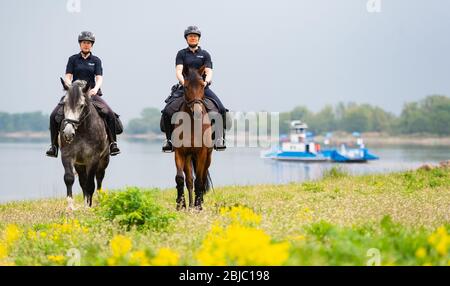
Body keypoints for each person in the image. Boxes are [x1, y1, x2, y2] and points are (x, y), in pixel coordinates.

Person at [46, 31, 121, 157]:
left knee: (109, 113)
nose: (86, 45)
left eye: (89, 43)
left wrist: (96, 88)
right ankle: (53, 146)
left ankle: (113, 143)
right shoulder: (73, 59)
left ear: (92, 45)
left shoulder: (96, 60)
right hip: (74, 94)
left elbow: (99, 77)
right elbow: (68, 76)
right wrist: (69, 86)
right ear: (80, 44)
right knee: (54, 115)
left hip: (91, 93)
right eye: (84, 42)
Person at [161, 26, 227, 152]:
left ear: (198, 39)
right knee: (166, 111)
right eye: (190, 36)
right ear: (186, 39)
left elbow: (209, 71)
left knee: (221, 109)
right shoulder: (181, 53)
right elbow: (179, 71)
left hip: (202, 87)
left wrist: (206, 82)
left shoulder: (205, 54)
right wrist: (183, 82)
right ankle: (169, 141)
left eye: (195, 36)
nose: (192, 38)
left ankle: (219, 138)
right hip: (185, 87)